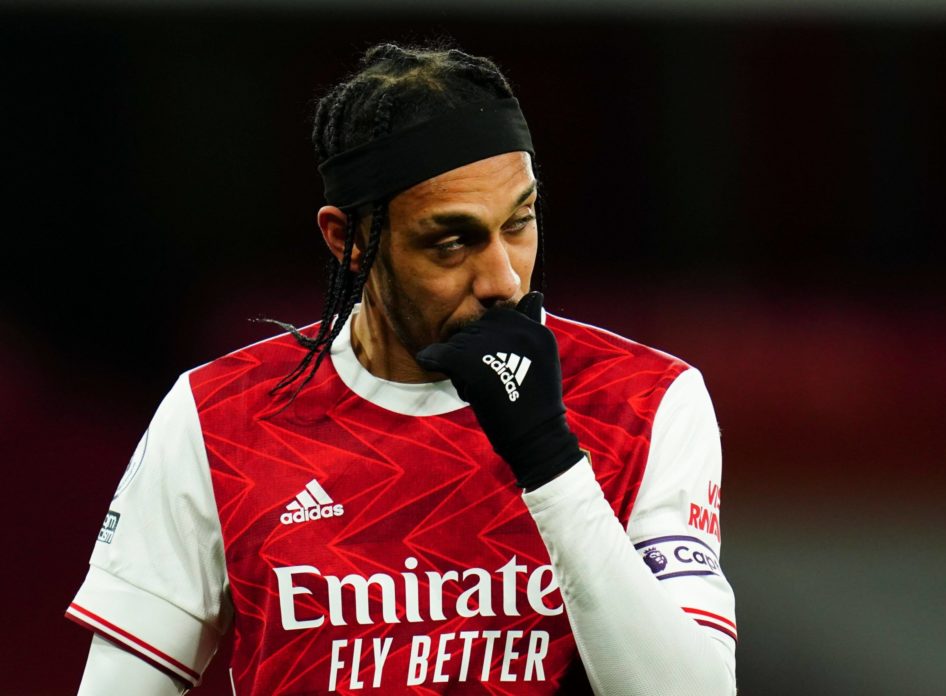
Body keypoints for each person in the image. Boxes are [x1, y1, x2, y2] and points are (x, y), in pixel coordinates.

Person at [67, 43, 737, 695]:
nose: (502, 280)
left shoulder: (643, 401)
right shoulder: (220, 418)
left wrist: (549, 460)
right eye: (452, 242)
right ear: (348, 240)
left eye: (519, 223)